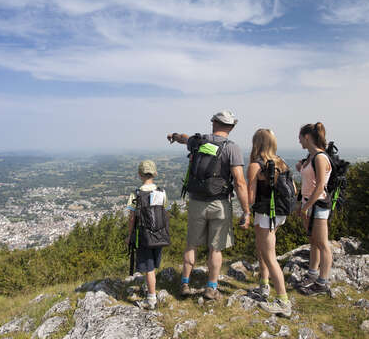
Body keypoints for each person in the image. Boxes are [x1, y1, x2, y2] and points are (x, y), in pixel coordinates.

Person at [167, 110, 250, 300]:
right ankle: (211, 287)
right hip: (220, 203)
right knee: (216, 248)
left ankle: (185, 284)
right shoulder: (232, 148)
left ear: (214, 123)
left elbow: (184, 138)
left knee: (191, 245)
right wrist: (246, 211)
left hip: (197, 201)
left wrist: (174, 136)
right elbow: (239, 181)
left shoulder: (200, 141)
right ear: (231, 127)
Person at [246, 129, 293, 317]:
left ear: (256, 143)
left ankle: (283, 301)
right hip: (279, 214)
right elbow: (293, 189)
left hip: (266, 214)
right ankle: (264, 285)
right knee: (262, 249)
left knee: (269, 256)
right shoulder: (280, 161)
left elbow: (250, 197)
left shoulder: (256, 165)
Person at [125, 160, 170, 310]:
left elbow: (132, 218)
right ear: (154, 173)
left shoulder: (136, 194)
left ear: (140, 174)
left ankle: (151, 299)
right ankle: (149, 286)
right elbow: (166, 213)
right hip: (159, 234)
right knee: (152, 266)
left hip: (143, 236)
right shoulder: (162, 192)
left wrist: (129, 235)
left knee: (149, 268)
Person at [296, 122, 332, 295]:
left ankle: (322, 282)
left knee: (323, 244)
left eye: (300, 137)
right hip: (308, 203)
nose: (299, 141)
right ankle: (312, 273)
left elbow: (320, 187)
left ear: (307, 137)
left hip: (317, 205)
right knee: (313, 241)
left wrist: (306, 207)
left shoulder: (319, 157)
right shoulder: (310, 157)